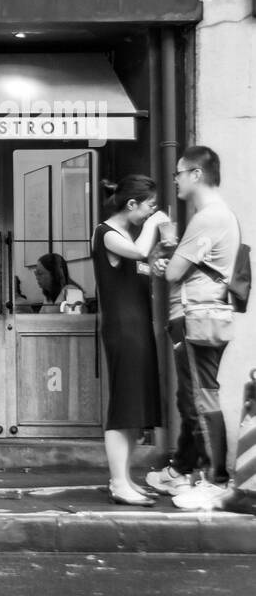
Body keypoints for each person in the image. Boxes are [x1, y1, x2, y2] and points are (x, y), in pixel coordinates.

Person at [149, 146, 241, 509]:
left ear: (197, 174)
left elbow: (174, 272)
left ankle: (213, 479)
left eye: (179, 173)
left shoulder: (209, 218)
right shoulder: (218, 215)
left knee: (199, 399)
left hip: (195, 316)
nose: (175, 179)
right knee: (192, 396)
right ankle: (183, 470)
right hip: (203, 314)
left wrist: (166, 261)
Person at [91, 175, 173, 506]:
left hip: (137, 326)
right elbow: (139, 251)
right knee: (122, 407)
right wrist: (157, 223)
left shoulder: (125, 234)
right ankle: (118, 482)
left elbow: (140, 264)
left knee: (134, 408)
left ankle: (125, 480)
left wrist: (155, 264)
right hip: (123, 329)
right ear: (132, 204)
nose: (152, 212)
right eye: (149, 206)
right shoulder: (106, 233)